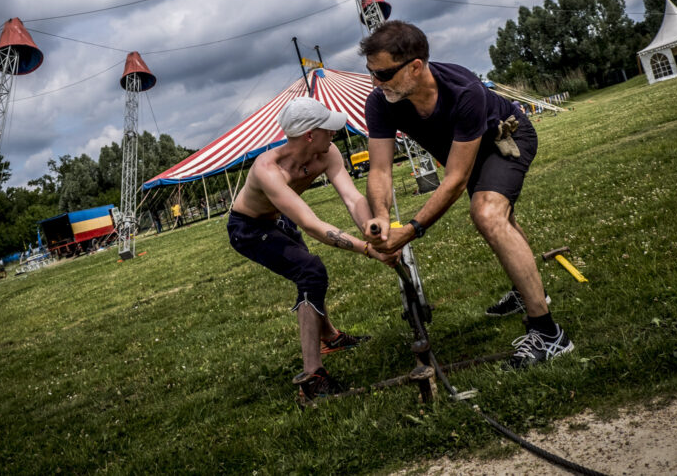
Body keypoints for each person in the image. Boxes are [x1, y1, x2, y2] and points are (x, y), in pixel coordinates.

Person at [359, 21, 573, 369]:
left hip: (506, 140)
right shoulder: (381, 101)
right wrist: (382, 217)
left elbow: (456, 179)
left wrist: (410, 230)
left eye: (382, 74)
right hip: (465, 151)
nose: (375, 83)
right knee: (500, 218)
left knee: (488, 213)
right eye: (371, 73)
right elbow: (380, 170)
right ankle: (527, 290)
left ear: (415, 67)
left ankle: (549, 335)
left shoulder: (464, 91)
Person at [227, 97, 396, 399]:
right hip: (248, 229)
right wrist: (367, 250)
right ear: (308, 135)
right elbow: (311, 224)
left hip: (279, 220)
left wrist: (370, 228)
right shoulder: (268, 169)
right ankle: (312, 377)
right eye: (327, 128)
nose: (334, 132)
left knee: (309, 273)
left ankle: (330, 337)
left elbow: (352, 197)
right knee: (310, 271)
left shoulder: (327, 153)